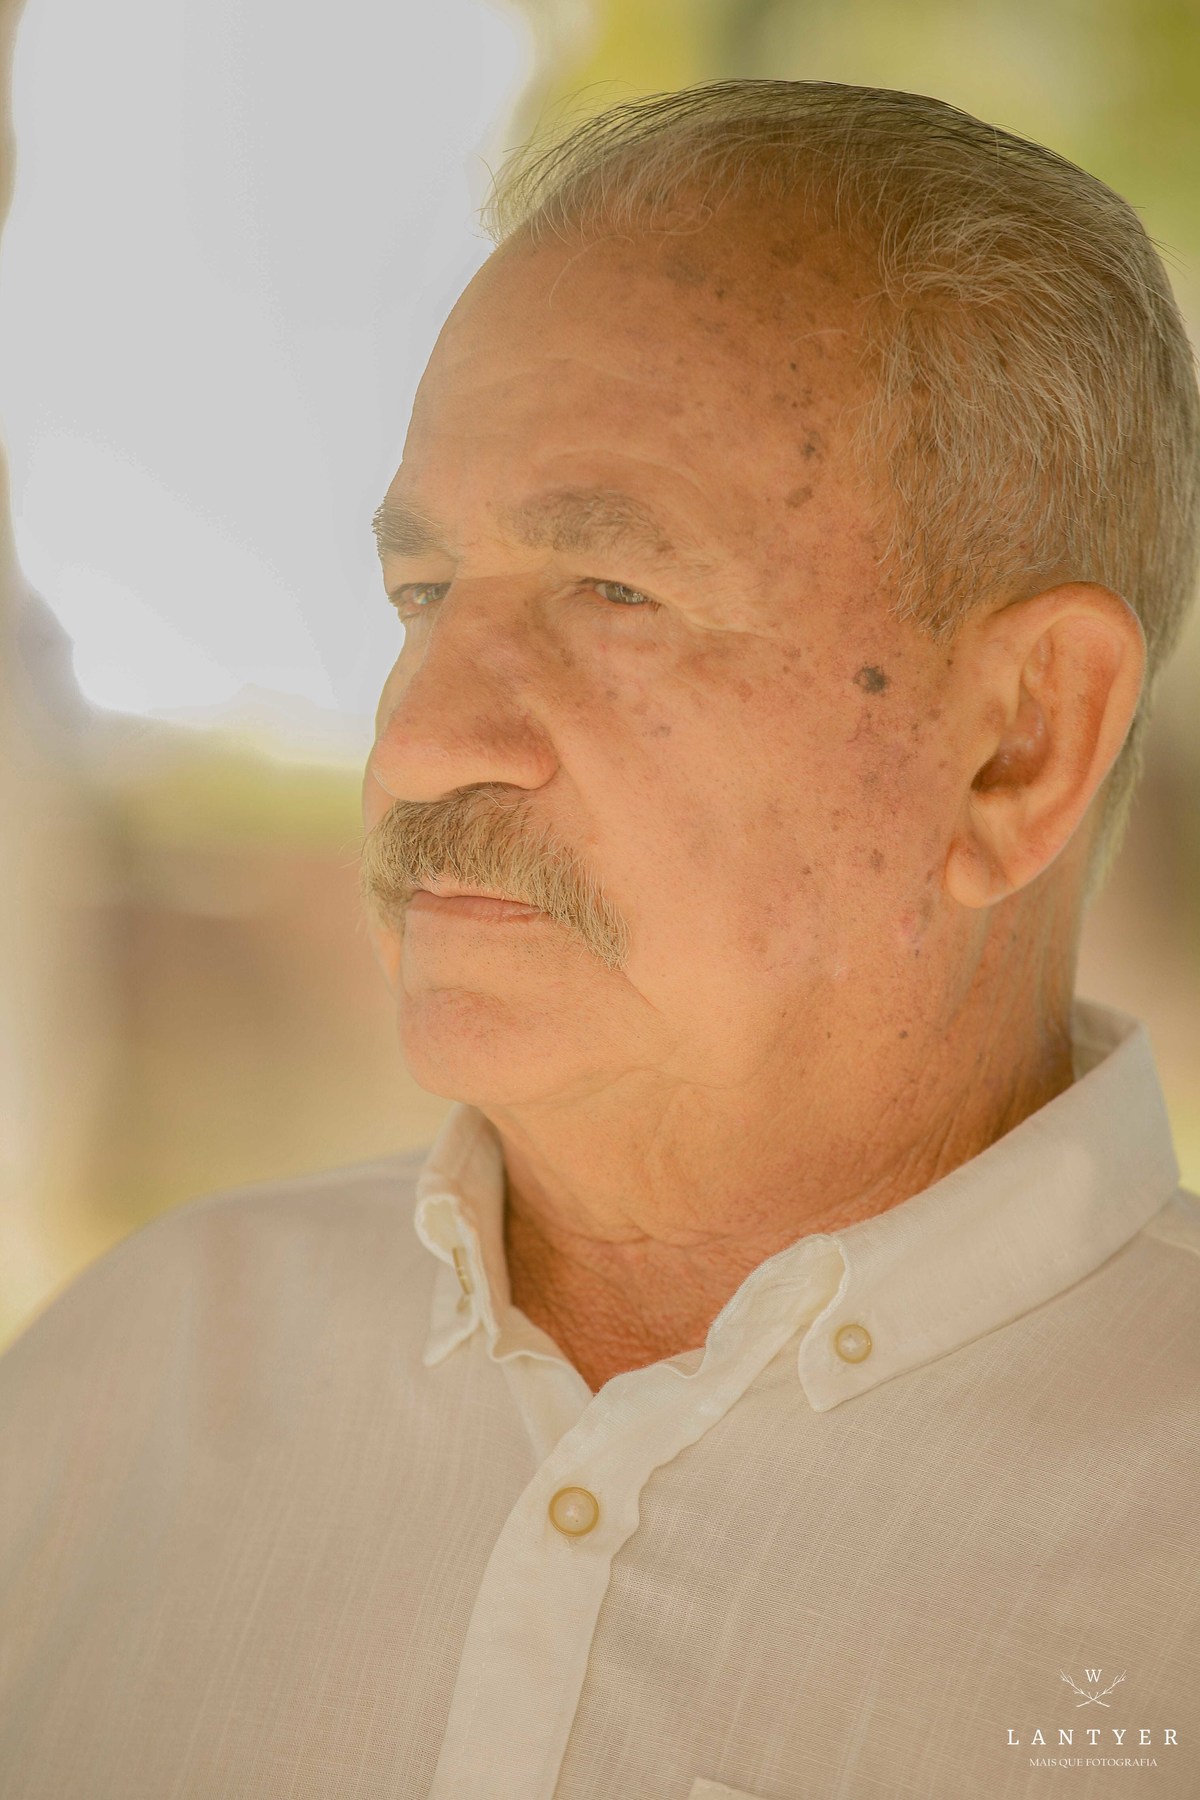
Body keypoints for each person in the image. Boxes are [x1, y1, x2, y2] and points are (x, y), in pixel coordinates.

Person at [2, 78, 1198, 1800]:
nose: (419, 747)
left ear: (1019, 742)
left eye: (614, 594)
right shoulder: (119, 1392)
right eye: (423, 596)